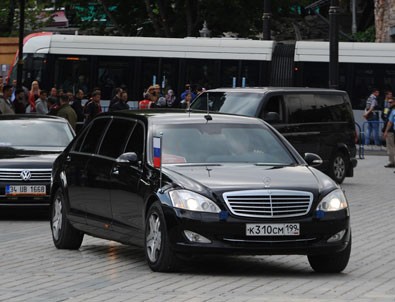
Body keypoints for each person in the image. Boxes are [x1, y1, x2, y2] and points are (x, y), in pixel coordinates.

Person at [382, 98, 395, 168]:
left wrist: (385, 131)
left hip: (391, 131)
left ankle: (392, 162)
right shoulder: (389, 109)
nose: (389, 103)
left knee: (390, 147)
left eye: (391, 102)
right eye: (388, 102)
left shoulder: (392, 111)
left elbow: (389, 122)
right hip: (392, 130)